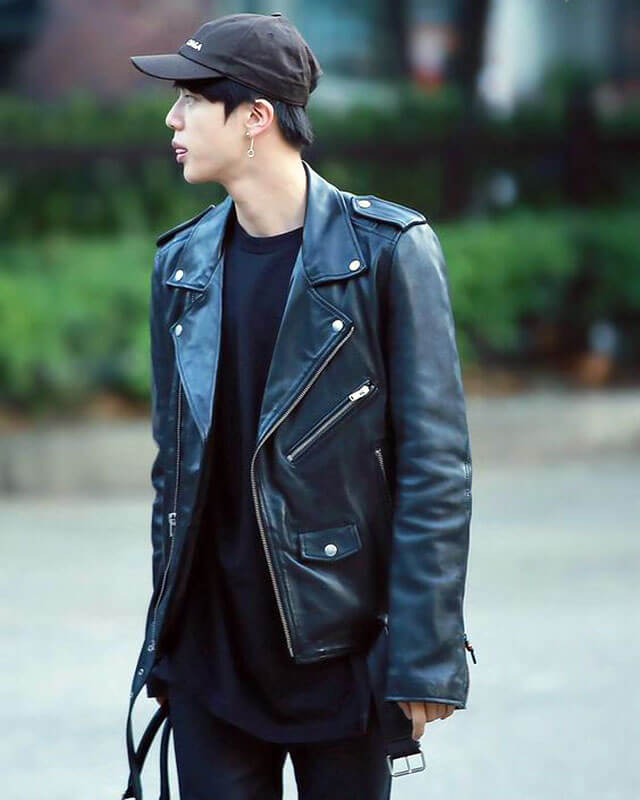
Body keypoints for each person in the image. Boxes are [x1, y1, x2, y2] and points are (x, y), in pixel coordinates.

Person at [121, 12, 476, 800]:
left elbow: (435, 469)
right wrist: (164, 640)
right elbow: (173, 472)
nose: (172, 119)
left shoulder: (387, 251)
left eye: (191, 100)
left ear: (256, 117)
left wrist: (423, 655)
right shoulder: (181, 265)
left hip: (340, 651)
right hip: (211, 659)